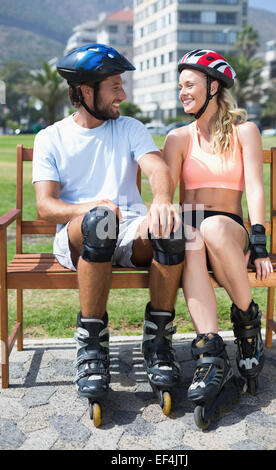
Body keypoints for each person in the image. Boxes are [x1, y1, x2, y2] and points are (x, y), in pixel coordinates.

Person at [32, 44, 184, 422]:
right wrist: (93, 207)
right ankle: (92, 346)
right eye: (115, 86)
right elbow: (46, 206)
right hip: (79, 237)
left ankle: (158, 341)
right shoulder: (51, 137)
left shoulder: (129, 127)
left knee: (172, 228)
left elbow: (155, 168)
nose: (123, 94)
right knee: (101, 221)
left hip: (129, 229)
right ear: (86, 90)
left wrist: (163, 200)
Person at [163, 49, 273, 427]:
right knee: (192, 235)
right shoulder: (177, 138)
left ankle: (246, 321)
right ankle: (210, 350)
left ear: (213, 86)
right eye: (179, 86)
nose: (182, 92)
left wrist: (258, 241)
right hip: (193, 227)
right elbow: (166, 195)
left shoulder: (245, 132)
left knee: (207, 228)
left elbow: (255, 188)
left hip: (229, 226)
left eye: (189, 84)